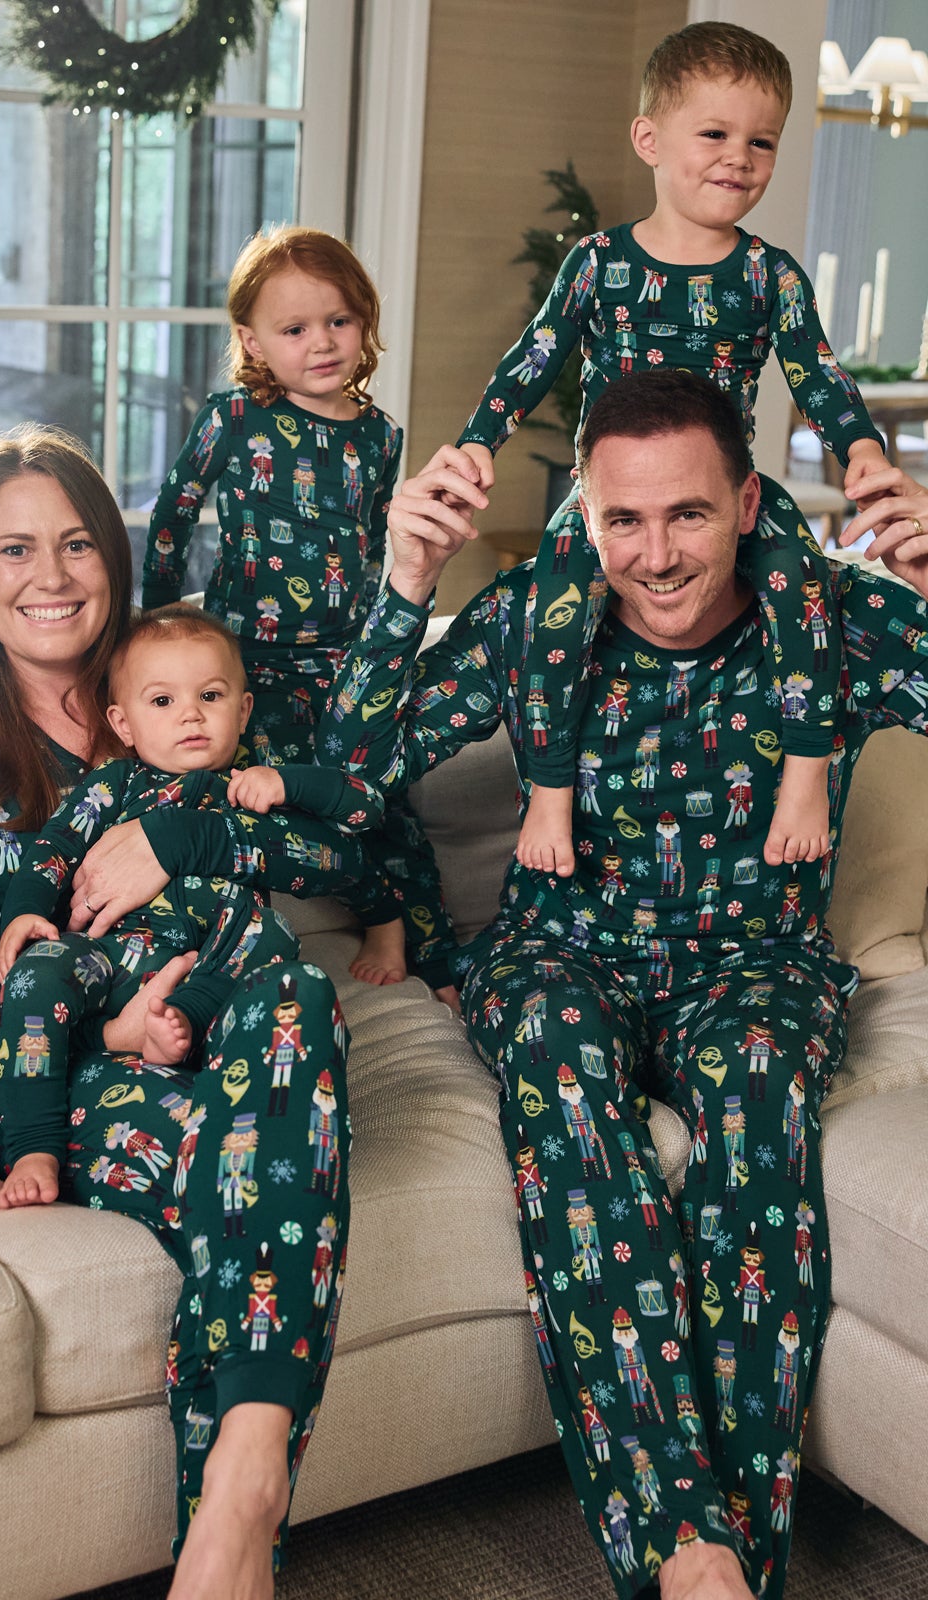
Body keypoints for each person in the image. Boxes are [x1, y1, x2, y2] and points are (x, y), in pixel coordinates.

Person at [328, 370, 928, 1600]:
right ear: (583, 518)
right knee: (555, 1057)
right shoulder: (538, 614)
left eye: (688, 516)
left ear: (748, 501)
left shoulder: (834, 617)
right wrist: (401, 588)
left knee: (757, 1097)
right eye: (621, 520)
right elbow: (347, 771)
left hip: (753, 965)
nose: (652, 556)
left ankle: (714, 1572)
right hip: (561, 955)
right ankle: (685, 1545)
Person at [0, 424, 355, 1600]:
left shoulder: (176, 692)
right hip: (61, 1067)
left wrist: (192, 832)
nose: (51, 575)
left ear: (113, 558)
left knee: (300, 997)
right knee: (250, 1154)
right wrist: (108, 1032)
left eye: (75, 544)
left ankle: (235, 1497)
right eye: (14, 548)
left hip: (230, 1022)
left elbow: (346, 844)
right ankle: (241, 1513)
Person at [451, 21, 891, 882]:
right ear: (650, 139)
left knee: (807, 587)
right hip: (611, 499)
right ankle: (547, 786)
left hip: (727, 496)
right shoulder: (597, 264)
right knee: (552, 612)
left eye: (762, 141)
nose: (741, 158)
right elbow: (533, 358)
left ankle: (806, 769)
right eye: (716, 134)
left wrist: (863, 453)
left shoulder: (773, 276)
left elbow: (821, 376)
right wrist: (478, 441)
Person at [142, 224, 461, 1000]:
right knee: (239, 791)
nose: (321, 342)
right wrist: (155, 628)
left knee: (373, 793)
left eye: (339, 321)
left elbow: (389, 545)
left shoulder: (381, 437)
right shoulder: (234, 418)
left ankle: (418, 940)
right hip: (245, 653)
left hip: (347, 658)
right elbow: (173, 514)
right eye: (295, 329)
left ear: (365, 323)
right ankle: (229, 945)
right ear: (253, 341)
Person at [0, 603, 383, 1208]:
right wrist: (25, 911)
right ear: (122, 723)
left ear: (244, 708)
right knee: (35, 974)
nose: (191, 715)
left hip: (212, 970)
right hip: (109, 958)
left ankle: (181, 1025)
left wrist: (290, 783)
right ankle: (32, 1143)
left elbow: (364, 810)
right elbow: (54, 847)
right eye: (162, 702)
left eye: (210, 694)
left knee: (272, 934)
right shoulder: (114, 786)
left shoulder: (252, 790)